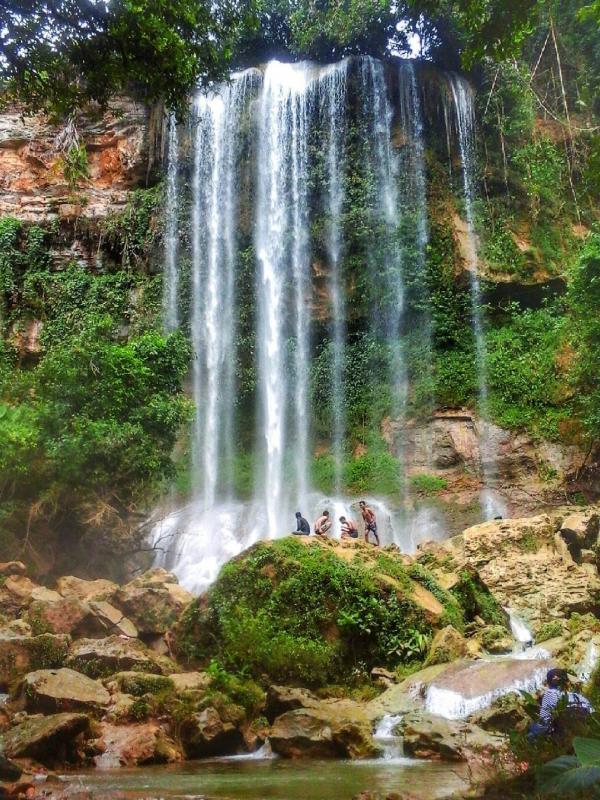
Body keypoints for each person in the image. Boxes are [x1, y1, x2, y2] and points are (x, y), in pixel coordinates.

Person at [528, 668, 594, 741]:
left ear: (548, 683)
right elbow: (592, 712)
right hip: (582, 731)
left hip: (562, 735)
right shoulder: (578, 697)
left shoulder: (549, 695)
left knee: (532, 728)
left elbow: (545, 721)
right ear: (567, 682)